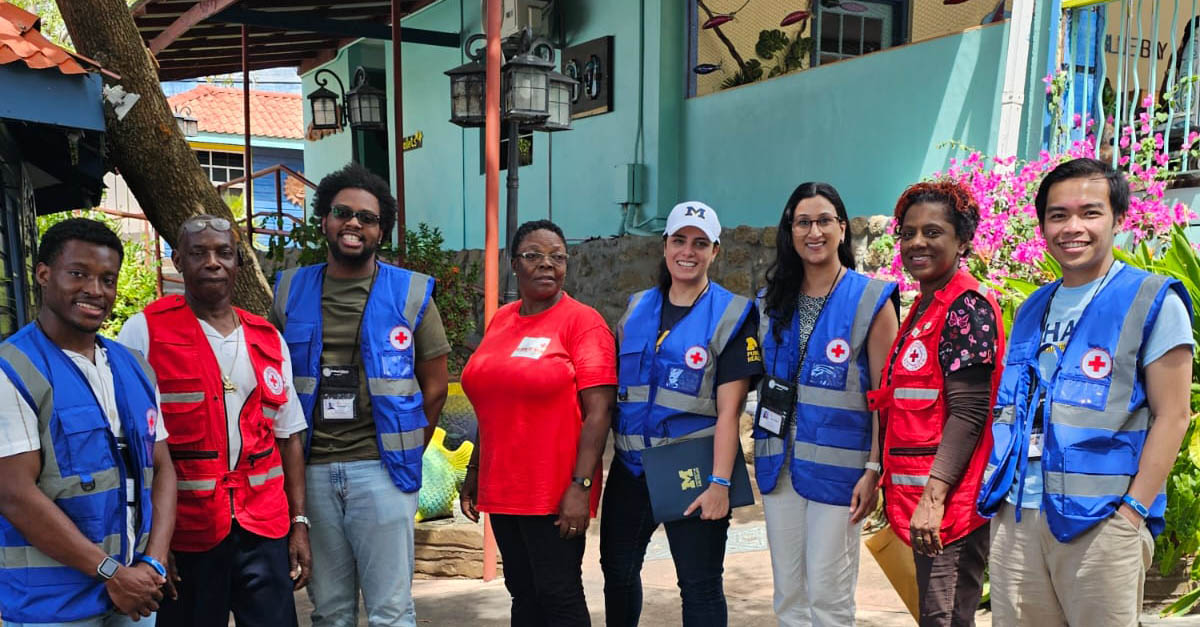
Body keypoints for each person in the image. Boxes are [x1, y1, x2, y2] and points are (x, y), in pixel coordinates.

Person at [978, 158, 1193, 626]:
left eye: (1090, 212)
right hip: (1019, 515)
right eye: (1058, 215)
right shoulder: (1034, 306)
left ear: (1118, 219)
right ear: (1043, 225)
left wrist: (1132, 513)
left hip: (1103, 522)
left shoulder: (1152, 300)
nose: (1072, 227)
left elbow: (1174, 415)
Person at [270, 162, 449, 627]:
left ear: (381, 231)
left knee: (391, 611)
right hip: (311, 473)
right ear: (324, 221)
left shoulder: (411, 293)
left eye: (367, 218)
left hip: (382, 472)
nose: (353, 223)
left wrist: (405, 451)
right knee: (330, 612)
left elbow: (435, 387)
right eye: (342, 212)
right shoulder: (288, 291)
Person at [117, 215, 311, 626]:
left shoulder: (268, 338)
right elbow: (129, 447)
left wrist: (299, 524)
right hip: (186, 533)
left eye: (224, 253)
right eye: (198, 253)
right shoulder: (144, 332)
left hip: (263, 528)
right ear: (177, 260)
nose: (212, 262)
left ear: (238, 261)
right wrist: (154, 543)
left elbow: (289, 437)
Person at [0, 218, 176, 626]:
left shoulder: (134, 367)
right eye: (78, 274)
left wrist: (154, 562)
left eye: (107, 279)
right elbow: (14, 493)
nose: (96, 290)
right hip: (51, 607)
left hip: (133, 593)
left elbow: (163, 468)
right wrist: (112, 573)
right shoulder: (13, 369)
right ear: (44, 275)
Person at [601, 201, 762, 627]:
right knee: (617, 571)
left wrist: (720, 484)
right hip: (631, 467)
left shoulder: (731, 315)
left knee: (699, 585)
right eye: (679, 240)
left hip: (692, 468)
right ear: (665, 245)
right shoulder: (636, 308)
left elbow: (730, 413)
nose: (688, 252)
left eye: (700, 243)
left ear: (715, 252)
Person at [754, 183, 899, 626]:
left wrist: (874, 468)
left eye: (823, 221)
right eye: (803, 222)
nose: (813, 232)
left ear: (842, 228)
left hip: (842, 470)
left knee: (828, 596)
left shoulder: (870, 300)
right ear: (790, 231)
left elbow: (884, 396)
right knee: (789, 594)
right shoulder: (770, 303)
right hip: (779, 462)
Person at [459, 219, 616, 626]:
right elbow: (495, 400)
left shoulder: (583, 323)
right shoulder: (502, 320)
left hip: (554, 491)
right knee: (523, 594)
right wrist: (475, 468)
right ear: (514, 264)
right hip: (503, 486)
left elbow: (599, 413)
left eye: (557, 257)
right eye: (534, 255)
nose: (547, 264)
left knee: (559, 595)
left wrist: (581, 486)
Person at [867, 181, 1004, 626]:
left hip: (948, 508)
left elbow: (969, 412)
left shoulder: (966, 308)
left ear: (962, 241)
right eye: (908, 233)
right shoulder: (928, 305)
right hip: (922, 503)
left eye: (932, 232)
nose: (917, 243)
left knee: (945, 618)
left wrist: (933, 499)